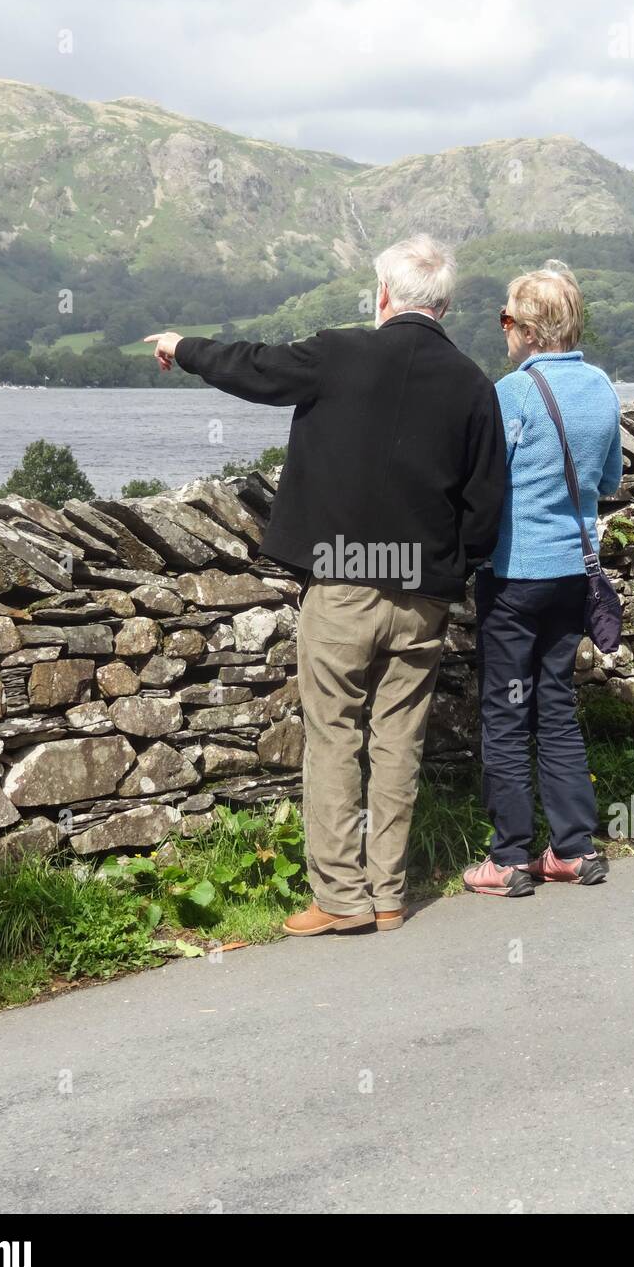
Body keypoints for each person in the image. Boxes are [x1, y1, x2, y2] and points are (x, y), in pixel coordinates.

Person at [146, 235, 505, 935]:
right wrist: (451, 569)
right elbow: (486, 501)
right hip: (424, 590)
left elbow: (254, 367)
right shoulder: (471, 383)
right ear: (446, 306)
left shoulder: (339, 351)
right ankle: (389, 896)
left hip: (342, 582)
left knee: (334, 735)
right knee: (398, 743)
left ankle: (341, 900)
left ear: (382, 297)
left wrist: (182, 345)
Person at [462, 263, 622, 898]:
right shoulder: (603, 387)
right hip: (573, 574)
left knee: (506, 711)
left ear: (528, 329)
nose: (503, 332)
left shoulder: (513, 394)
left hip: (515, 574)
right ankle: (573, 850)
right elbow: (607, 483)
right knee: (555, 706)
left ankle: (508, 859)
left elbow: (484, 485)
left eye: (506, 321)